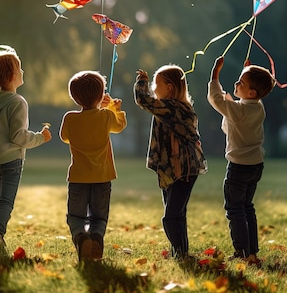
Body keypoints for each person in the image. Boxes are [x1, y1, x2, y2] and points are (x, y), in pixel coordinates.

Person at [0, 50, 52, 255]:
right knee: (6, 201)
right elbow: (18, 137)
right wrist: (40, 137)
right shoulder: (17, 102)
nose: (23, 71)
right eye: (19, 68)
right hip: (11, 159)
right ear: (11, 76)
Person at [133, 66, 207, 261]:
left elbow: (144, 100)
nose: (153, 88)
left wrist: (141, 83)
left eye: (156, 84)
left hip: (184, 169)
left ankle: (181, 253)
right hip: (170, 169)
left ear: (171, 88)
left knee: (171, 216)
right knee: (177, 214)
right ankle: (180, 253)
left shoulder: (175, 109)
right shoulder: (169, 108)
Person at [207, 56, 275, 265]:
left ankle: (243, 251)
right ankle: (252, 250)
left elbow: (216, 100)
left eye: (241, 83)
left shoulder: (238, 111)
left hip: (238, 168)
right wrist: (249, 72)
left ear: (252, 92)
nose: (236, 84)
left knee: (235, 209)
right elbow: (244, 103)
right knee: (247, 207)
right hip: (256, 166)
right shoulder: (258, 107)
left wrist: (215, 75)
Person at [60, 71, 127, 262]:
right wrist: (114, 109)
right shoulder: (106, 116)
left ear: (74, 97)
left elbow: (64, 137)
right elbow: (119, 126)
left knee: (75, 217)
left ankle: (81, 238)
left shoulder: (70, 118)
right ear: (100, 96)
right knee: (99, 218)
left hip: (78, 178)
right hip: (103, 177)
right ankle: (96, 238)